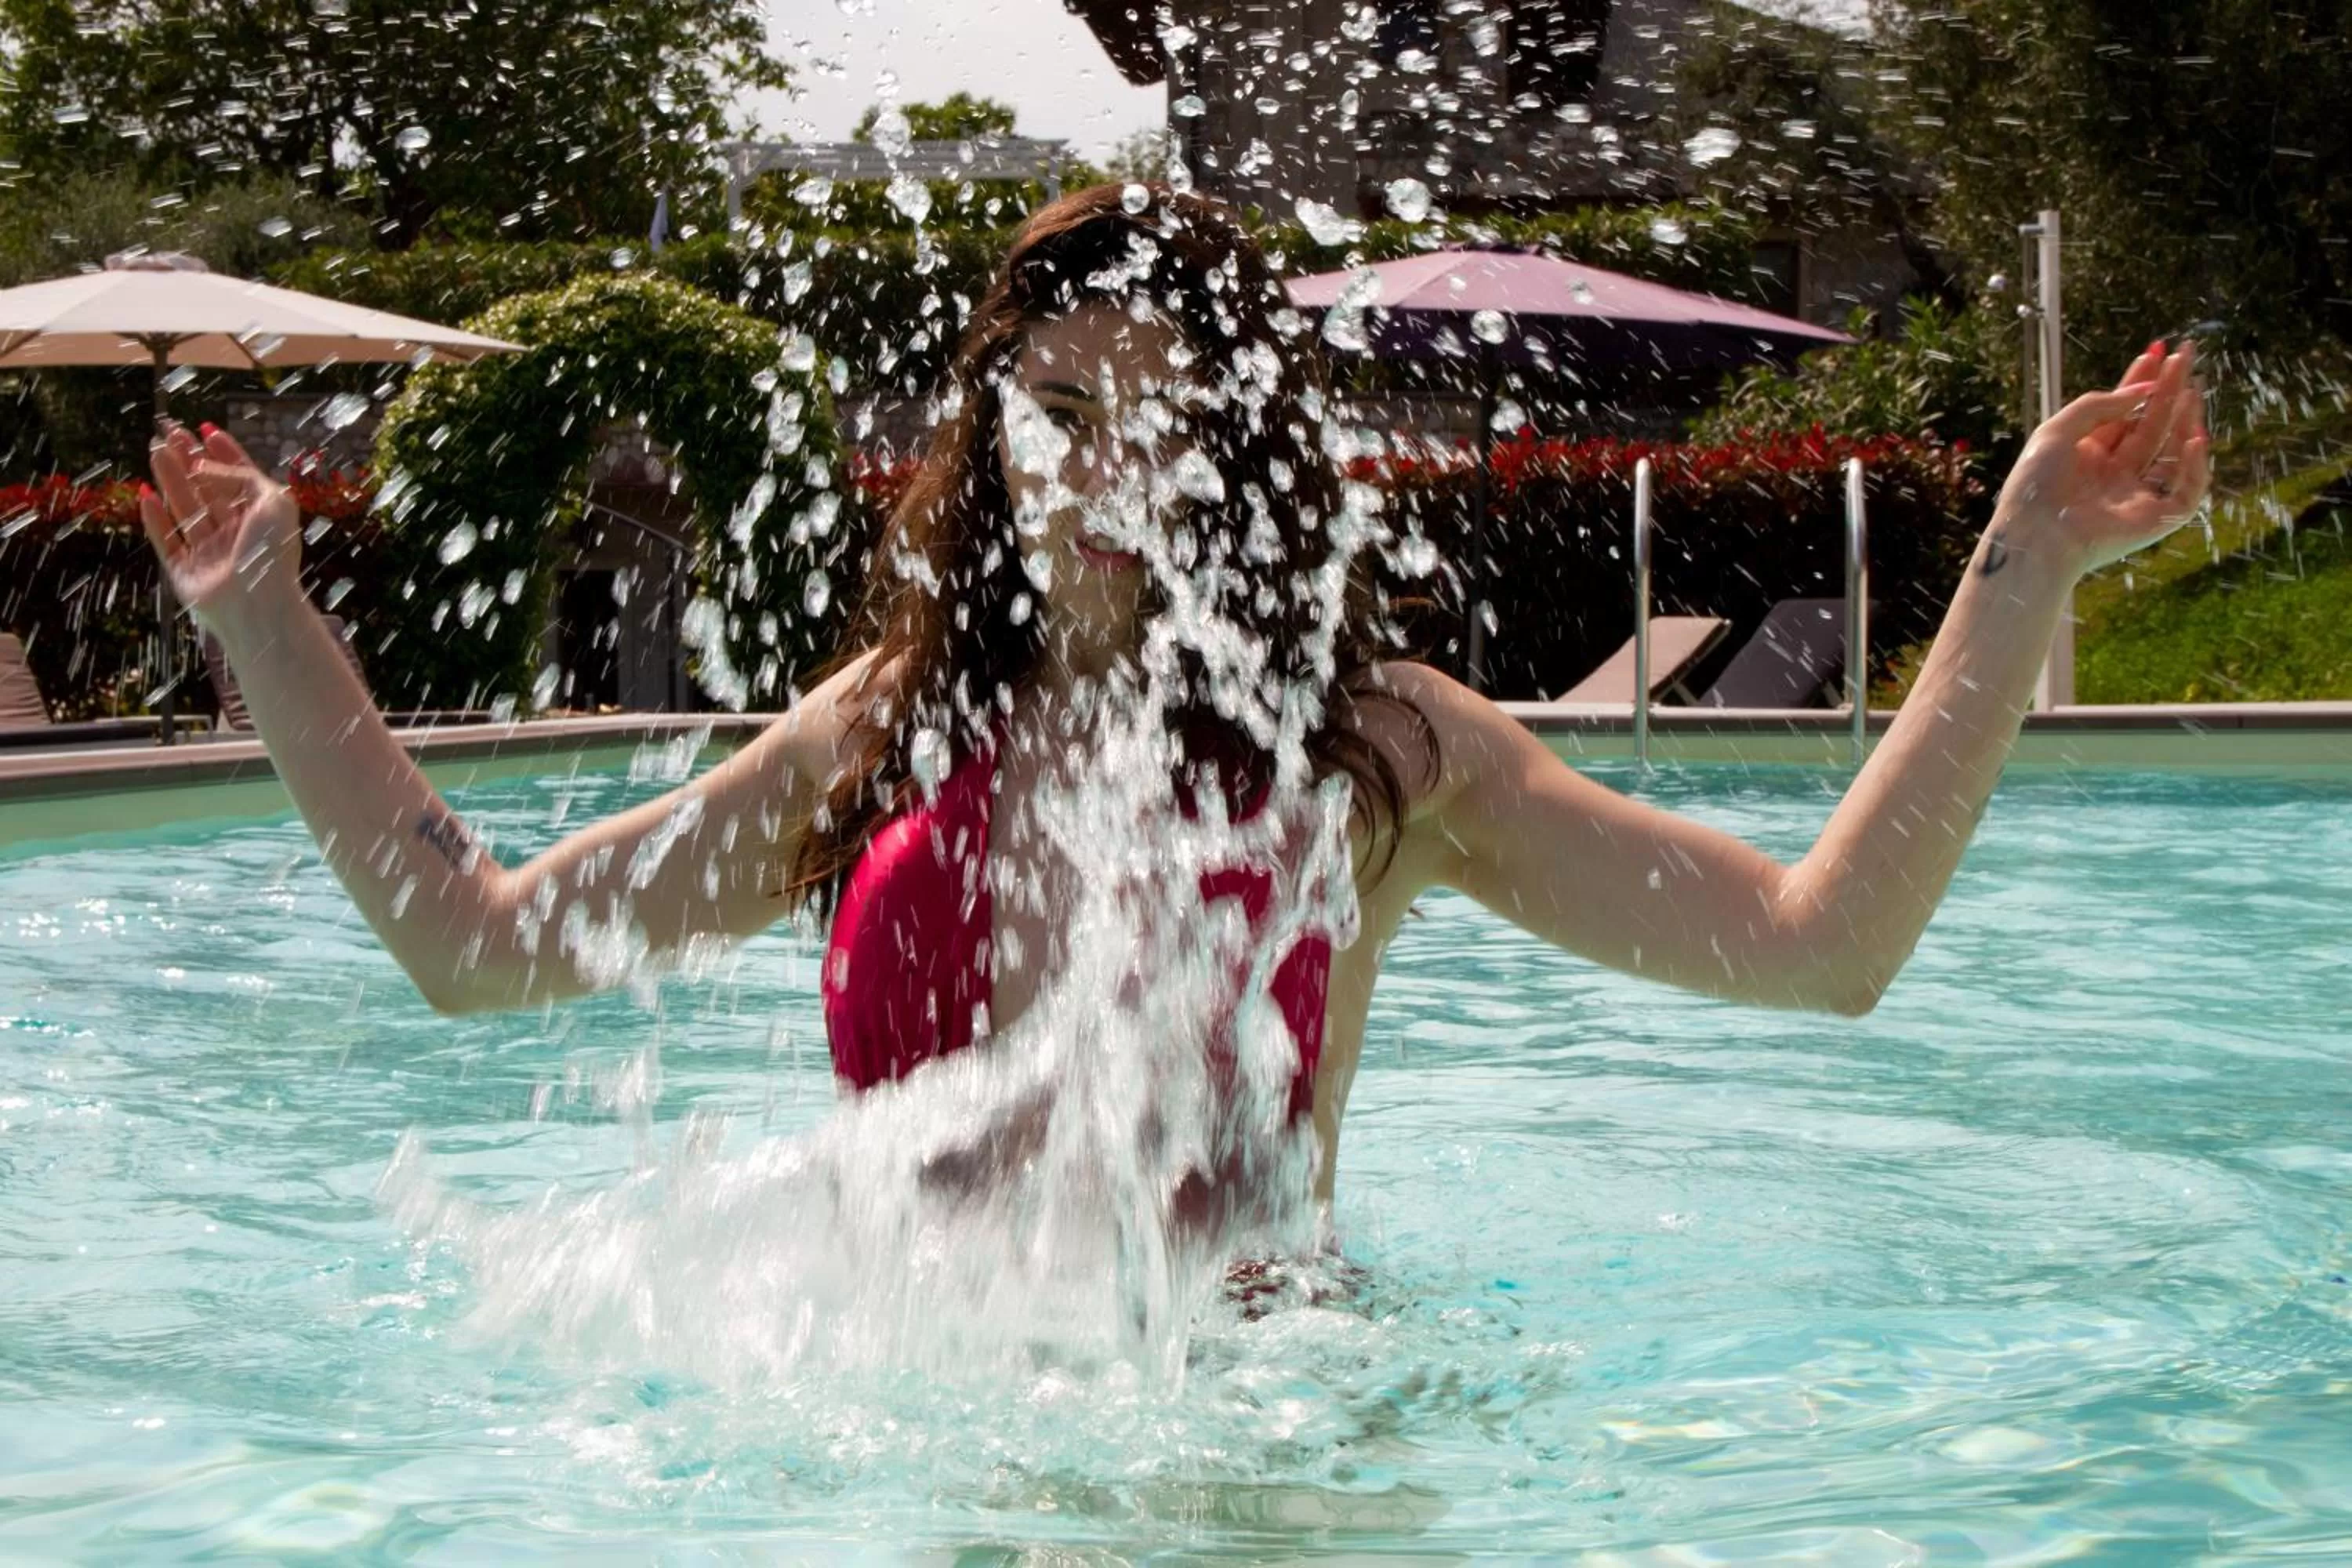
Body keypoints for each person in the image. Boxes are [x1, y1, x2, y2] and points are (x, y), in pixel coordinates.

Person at [140, 184, 2209, 1214]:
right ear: (992, 440)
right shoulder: (872, 734)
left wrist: (2021, 556)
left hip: (1257, 1457)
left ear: (1244, 452)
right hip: (919, 1456)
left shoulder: (1374, 744)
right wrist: (263, 626)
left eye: (1164, 423)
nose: (1107, 472)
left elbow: (1815, 947)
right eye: (1059, 415)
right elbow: (481, 951)